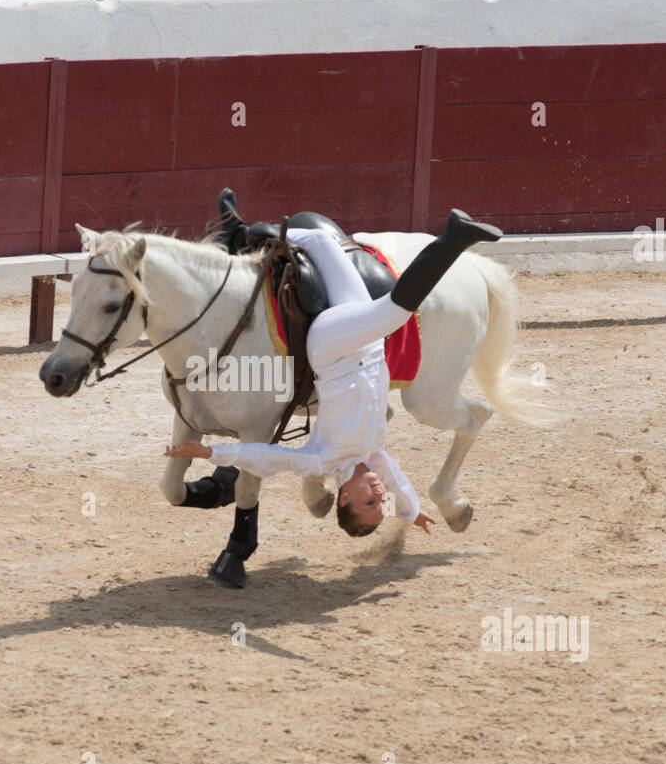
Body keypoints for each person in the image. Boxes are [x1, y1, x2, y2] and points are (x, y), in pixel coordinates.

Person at [165, 207, 502, 537]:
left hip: (333, 348)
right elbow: (398, 481)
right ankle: (246, 232)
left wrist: (210, 453)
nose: (379, 491)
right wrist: (411, 512)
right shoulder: (375, 457)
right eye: (381, 501)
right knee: (321, 242)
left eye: (370, 501)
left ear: (344, 496)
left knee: (395, 313)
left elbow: (266, 456)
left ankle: (454, 238)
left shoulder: (319, 462)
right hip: (367, 346)